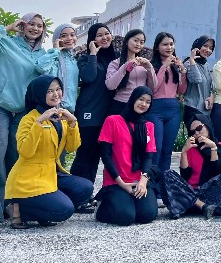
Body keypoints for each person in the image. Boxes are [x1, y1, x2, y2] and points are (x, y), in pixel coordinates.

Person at [0, 13, 47, 223]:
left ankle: (11, 206)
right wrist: (6, 28)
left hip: (22, 110)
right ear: (23, 25)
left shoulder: (43, 54)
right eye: (31, 23)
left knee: (17, 158)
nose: (35, 28)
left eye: (39, 25)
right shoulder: (5, 43)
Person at [5, 75, 94, 229]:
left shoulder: (60, 116)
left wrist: (72, 122)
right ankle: (18, 209)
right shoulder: (29, 119)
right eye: (49, 91)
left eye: (58, 89)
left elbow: (72, 147)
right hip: (30, 178)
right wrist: (39, 122)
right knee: (64, 210)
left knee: (85, 188)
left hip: (52, 173)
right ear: (39, 94)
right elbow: (25, 152)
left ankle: (43, 209)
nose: (56, 94)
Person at [95, 86, 159, 226]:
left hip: (138, 180)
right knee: (126, 217)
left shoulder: (148, 126)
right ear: (133, 99)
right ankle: (102, 207)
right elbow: (105, 155)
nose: (144, 104)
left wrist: (143, 181)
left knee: (147, 215)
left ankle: (129, 201)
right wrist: (121, 183)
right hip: (116, 181)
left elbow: (148, 157)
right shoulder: (112, 120)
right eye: (141, 99)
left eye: (148, 102)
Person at [158, 110, 221, 219]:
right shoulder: (191, 149)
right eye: (193, 132)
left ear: (208, 126)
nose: (196, 133)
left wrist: (213, 148)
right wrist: (184, 152)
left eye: (199, 128)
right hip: (190, 191)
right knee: (167, 174)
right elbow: (185, 177)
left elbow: (218, 173)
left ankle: (192, 205)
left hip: (209, 194)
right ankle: (202, 206)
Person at [70, 23, 117, 187]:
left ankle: (87, 191)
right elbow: (89, 77)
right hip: (89, 114)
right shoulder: (85, 58)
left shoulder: (116, 59)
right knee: (84, 155)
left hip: (107, 115)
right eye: (99, 35)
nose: (104, 37)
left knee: (96, 156)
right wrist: (92, 54)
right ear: (92, 39)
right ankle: (76, 192)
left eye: (107, 33)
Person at [148, 32, 187, 172]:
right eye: (165, 44)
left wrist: (183, 71)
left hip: (173, 109)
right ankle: (152, 180)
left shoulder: (175, 67)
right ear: (157, 47)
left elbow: (181, 90)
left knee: (167, 149)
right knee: (156, 148)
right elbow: (153, 87)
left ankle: (165, 180)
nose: (169, 47)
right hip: (156, 109)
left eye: (171, 44)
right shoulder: (151, 66)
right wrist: (164, 66)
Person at [105, 29, 157, 114]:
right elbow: (110, 85)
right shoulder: (115, 63)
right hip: (120, 105)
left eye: (141, 42)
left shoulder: (144, 64)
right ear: (126, 41)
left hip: (139, 106)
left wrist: (149, 67)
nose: (138, 44)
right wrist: (125, 67)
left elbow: (153, 87)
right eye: (136, 40)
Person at [37, 24, 80, 113]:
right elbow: (41, 67)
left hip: (70, 108)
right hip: (54, 108)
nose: (69, 38)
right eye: (64, 36)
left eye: (72, 35)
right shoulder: (54, 56)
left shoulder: (74, 59)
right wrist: (55, 50)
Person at [183, 35, 216, 115]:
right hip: (193, 108)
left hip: (206, 109)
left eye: (211, 48)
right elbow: (196, 79)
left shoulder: (206, 65)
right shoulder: (188, 63)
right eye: (205, 46)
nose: (208, 50)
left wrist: (211, 97)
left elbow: (211, 86)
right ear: (197, 46)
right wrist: (192, 60)